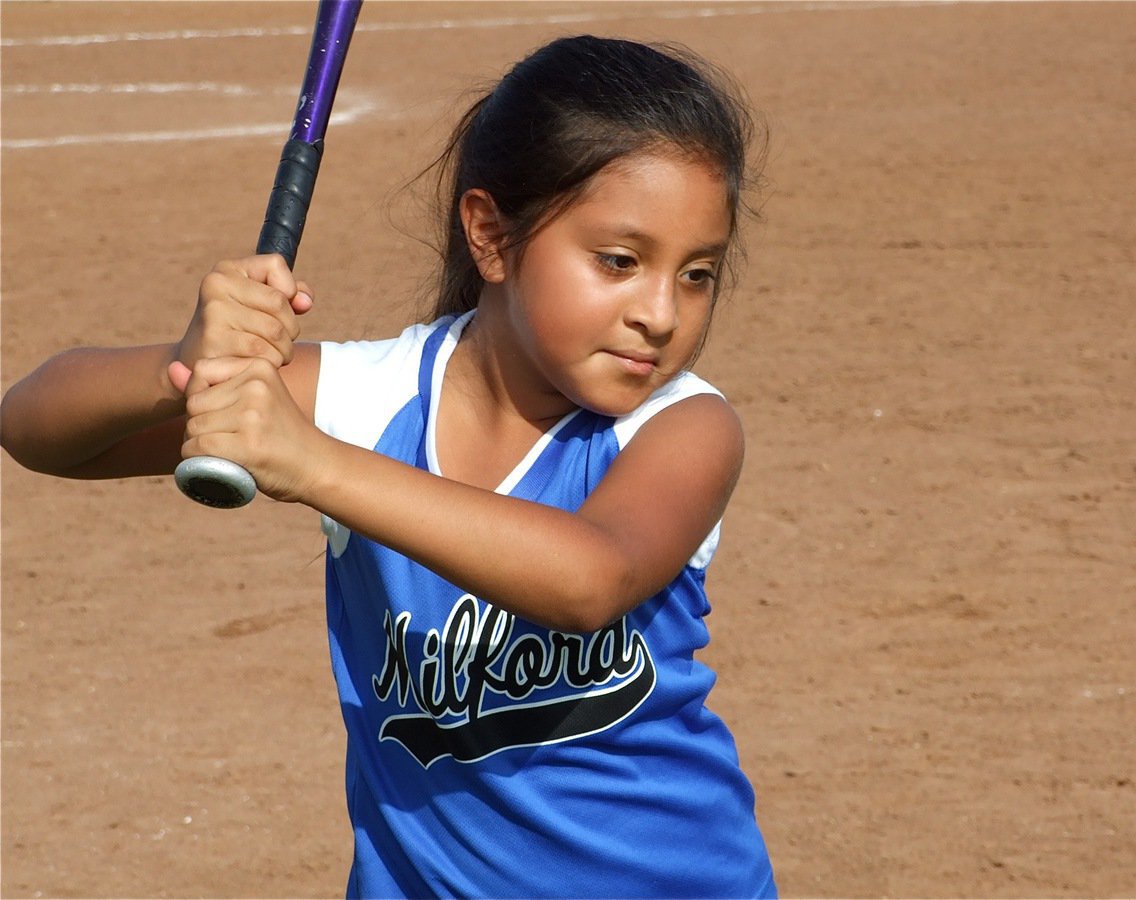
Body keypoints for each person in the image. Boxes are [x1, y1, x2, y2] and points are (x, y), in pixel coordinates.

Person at [1, 34, 776, 898]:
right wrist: (184, 363)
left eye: (699, 273)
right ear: (490, 235)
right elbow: (37, 427)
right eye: (620, 262)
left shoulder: (685, 426)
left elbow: (591, 577)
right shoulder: (376, 400)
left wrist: (312, 463)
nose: (662, 314)